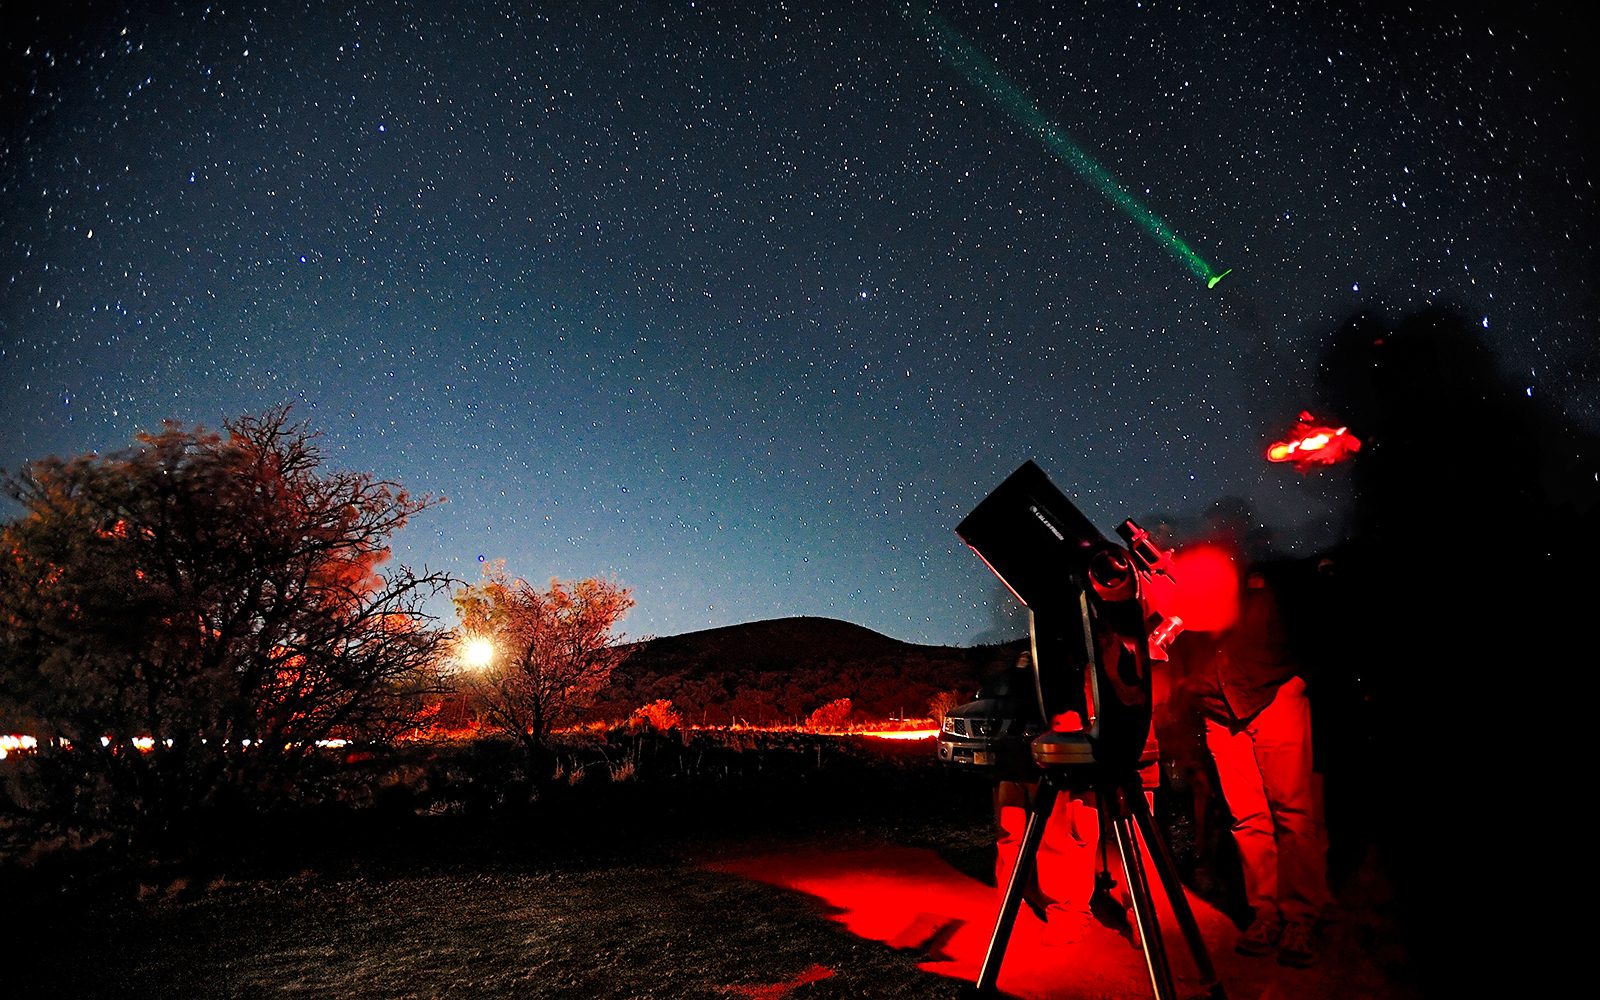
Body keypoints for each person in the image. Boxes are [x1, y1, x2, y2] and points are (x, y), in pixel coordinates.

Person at [1186, 559, 1328, 969]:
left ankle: (1300, 917)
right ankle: (1266, 914)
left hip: (1274, 696)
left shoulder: (1277, 573)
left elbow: (1321, 623)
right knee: (1247, 817)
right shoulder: (1191, 578)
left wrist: (1301, 678)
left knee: (1293, 811)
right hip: (1218, 708)